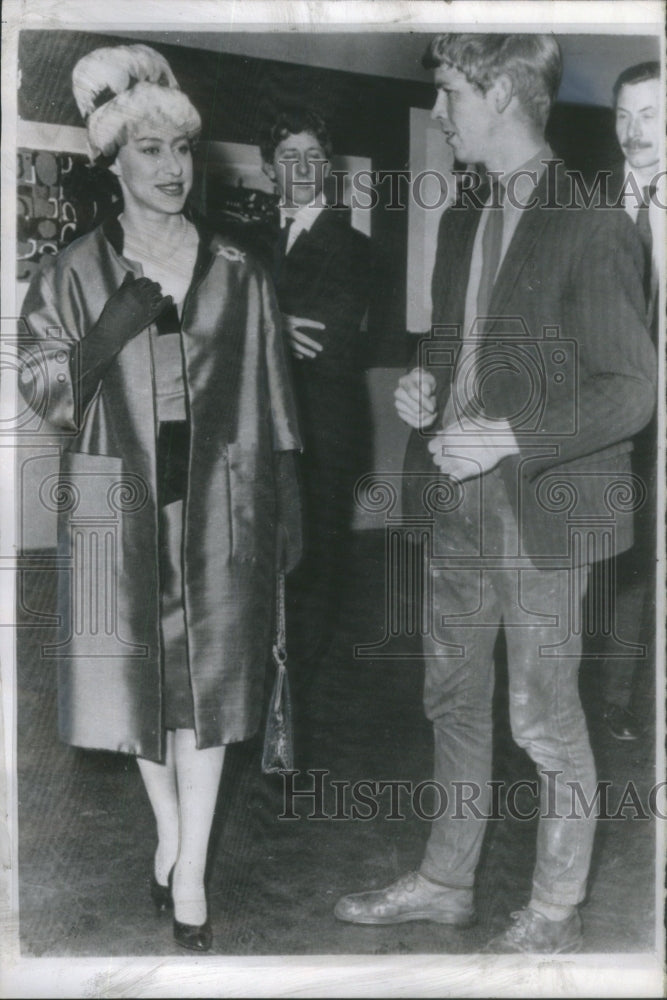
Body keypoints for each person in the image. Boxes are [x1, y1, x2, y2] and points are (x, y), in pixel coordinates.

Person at [334, 33, 656, 953]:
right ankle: (445, 880)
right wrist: (425, 387)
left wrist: (510, 436)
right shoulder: (469, 212)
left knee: (543, 719)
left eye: (448, 98)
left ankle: (555, 909)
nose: (439, 117)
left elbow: (630, 390)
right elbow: (453, 347)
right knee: (451, 696)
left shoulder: (590, 224)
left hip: (539, 512)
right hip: (456, 503)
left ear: (504, 96)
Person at [18, 44, 301, 954]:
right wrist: (106, 332)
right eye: (148, 150)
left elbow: (274, 400)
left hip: (221, 504)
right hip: (115, 502)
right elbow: (45, 389)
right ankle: (173, 834)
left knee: (209, 690)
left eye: (180, 148)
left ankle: (189, 873)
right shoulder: (71, 272)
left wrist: (287, 500)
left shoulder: (239, 267)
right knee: (134, 687)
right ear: (114, 161)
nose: (171, 167)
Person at [258, 109, 371, 756]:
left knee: (313, 567)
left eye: (312, 156)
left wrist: (261, 321)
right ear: (269, 167)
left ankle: (291, 702)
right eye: (288, 156)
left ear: (326, 167)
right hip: (264, 429)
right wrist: (273, 321)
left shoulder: (351, 246)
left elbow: (321, 339)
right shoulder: (248, 241)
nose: (300, 169)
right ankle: (266, 690)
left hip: (323, 434)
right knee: (264, 564)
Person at [600, 61, 661, 742]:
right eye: (622, 114)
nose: (633, 130)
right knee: (617, 559)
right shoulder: (590, 203)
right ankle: (610, 699)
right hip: (609, 416)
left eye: (649, 113)